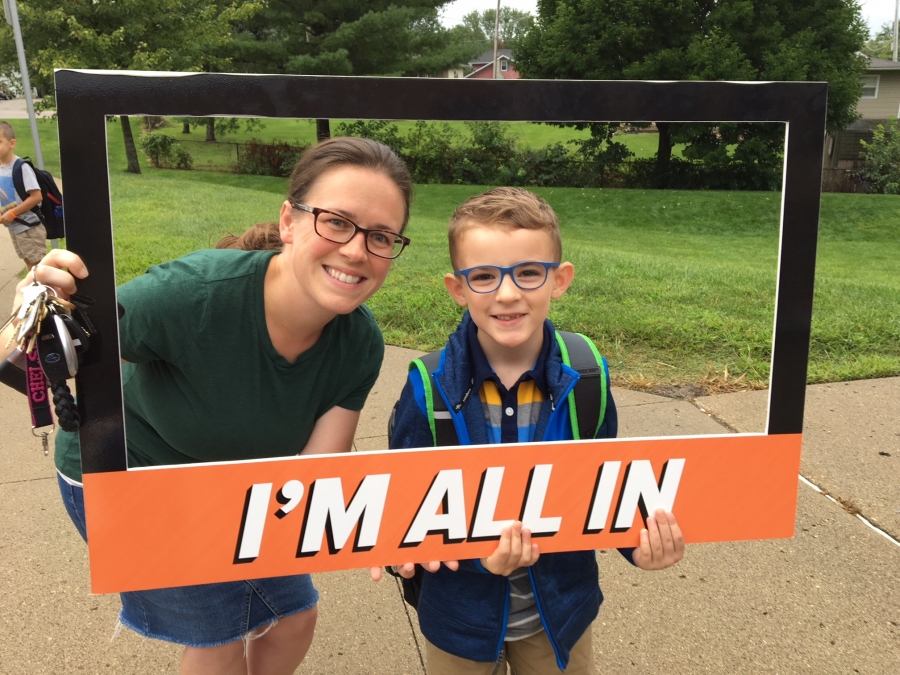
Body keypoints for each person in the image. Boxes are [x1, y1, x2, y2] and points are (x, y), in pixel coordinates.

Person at [8, 137, 412, 675]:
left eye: (381, 236)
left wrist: (387, 529)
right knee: (222, 635)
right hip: (130, 473)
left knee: (294, 617)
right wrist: (37, 303)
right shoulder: (191, 297)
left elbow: (318, 471)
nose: (358, 250)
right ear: (290, 221)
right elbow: (28, 351)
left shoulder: (360, 343)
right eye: (336, 221)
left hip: (235, 486)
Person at [384, 187, 685, 675]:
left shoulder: (587, 374)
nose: (507, 294)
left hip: (559, 614)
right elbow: (407, 518)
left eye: (528, 272)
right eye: (483, 276)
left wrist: (640, 546)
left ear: (559, 280)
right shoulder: (428, 386)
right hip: (460, 620)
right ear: (457, 289)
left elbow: (605, 487)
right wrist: (479, 557)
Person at [0, 120, 46, 273]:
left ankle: (46, 293)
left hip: (29, 227)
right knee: (29, 262)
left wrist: (12, 213)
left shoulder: (21, 167)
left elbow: (36, 197)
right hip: (15, 226)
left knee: (38, 266)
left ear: (12, 143)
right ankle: (36, 293)